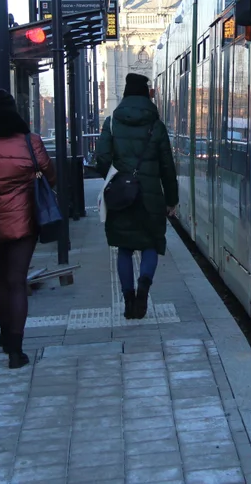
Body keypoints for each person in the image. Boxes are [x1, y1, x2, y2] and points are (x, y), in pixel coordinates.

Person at [0, 89, 55, 369]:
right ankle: (16, 349)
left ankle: (5, 334)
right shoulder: (31, 142)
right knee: (17, 281)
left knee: (1, 280)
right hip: (24, 221)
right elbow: (50, 177)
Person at [96, 73, 179, 320]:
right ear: (146, 95)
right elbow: (167, 166)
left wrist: (114, 178)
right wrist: (171, 199)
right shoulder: (157, 126)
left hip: (122, 196)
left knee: (124, 248)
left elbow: (101, 159)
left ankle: (128, 299)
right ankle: (144, 288)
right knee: (151, 244)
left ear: (125, 94)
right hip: (151, 197)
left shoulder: (111, 123)